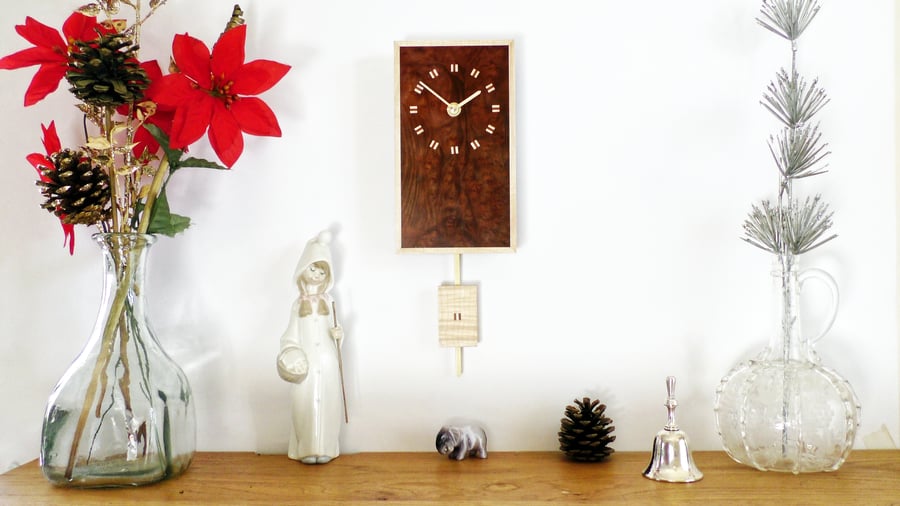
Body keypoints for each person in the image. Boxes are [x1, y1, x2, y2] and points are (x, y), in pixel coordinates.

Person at [276, 231, 344, 464]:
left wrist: (338, 334)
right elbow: (290, 335)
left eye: (322, 271)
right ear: (303, 269)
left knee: (328, 403)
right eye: (313, 268)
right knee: (304, 403)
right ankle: (306, 448)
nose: (316, 274)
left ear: (328, 275)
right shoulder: (298, 305)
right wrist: (291, 353)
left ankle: (325, 446)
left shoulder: (329, 301)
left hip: (327, 362)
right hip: (307, 363)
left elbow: (335, 329)